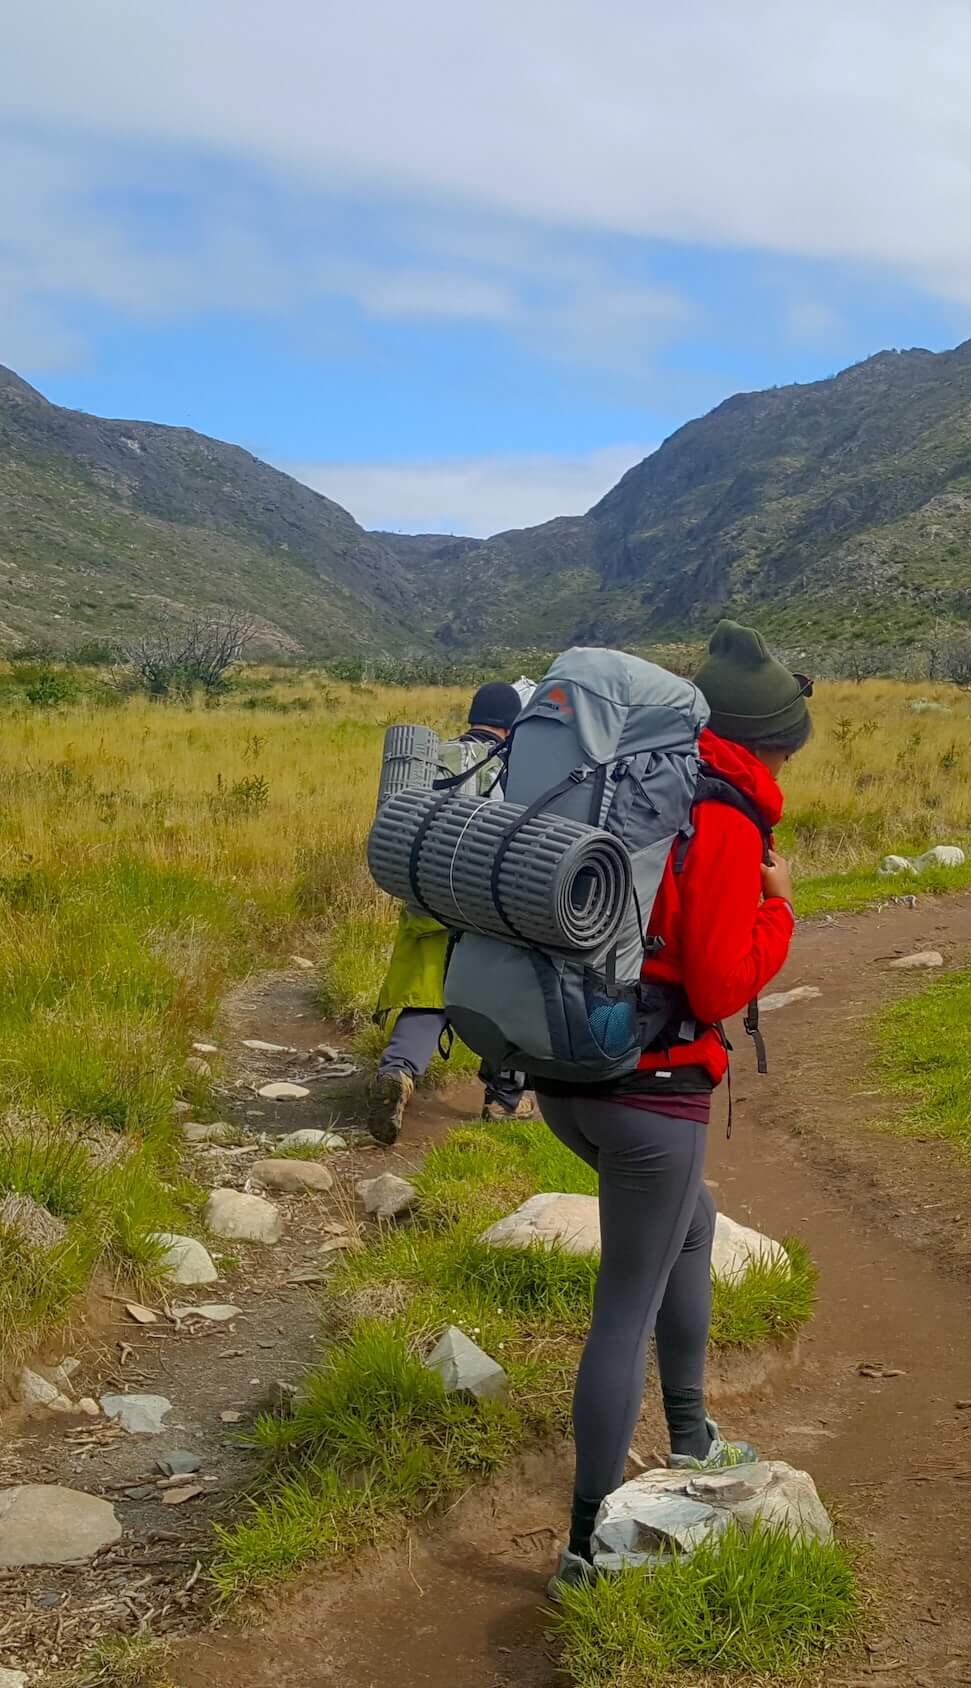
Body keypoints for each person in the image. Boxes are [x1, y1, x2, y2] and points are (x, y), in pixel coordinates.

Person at [542, 621, 810, 1586]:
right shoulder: (727, 816)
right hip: (653, 1092)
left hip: (569, 1074)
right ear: (773, 740)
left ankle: (692, 1438)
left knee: (690, 1227)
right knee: (625, 1304)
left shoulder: (633, 779)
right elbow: (715, 984)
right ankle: (583, 1542)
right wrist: (780, 911)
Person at [367, 681, 532, 1143]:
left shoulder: (429, 760)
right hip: (485, 907)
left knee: (426, 996)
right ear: (511, 724)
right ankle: (503, 1100)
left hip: (427, 900)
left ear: (473, 716)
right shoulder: (514, 766)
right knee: (499, 1001)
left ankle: (399, 1072)